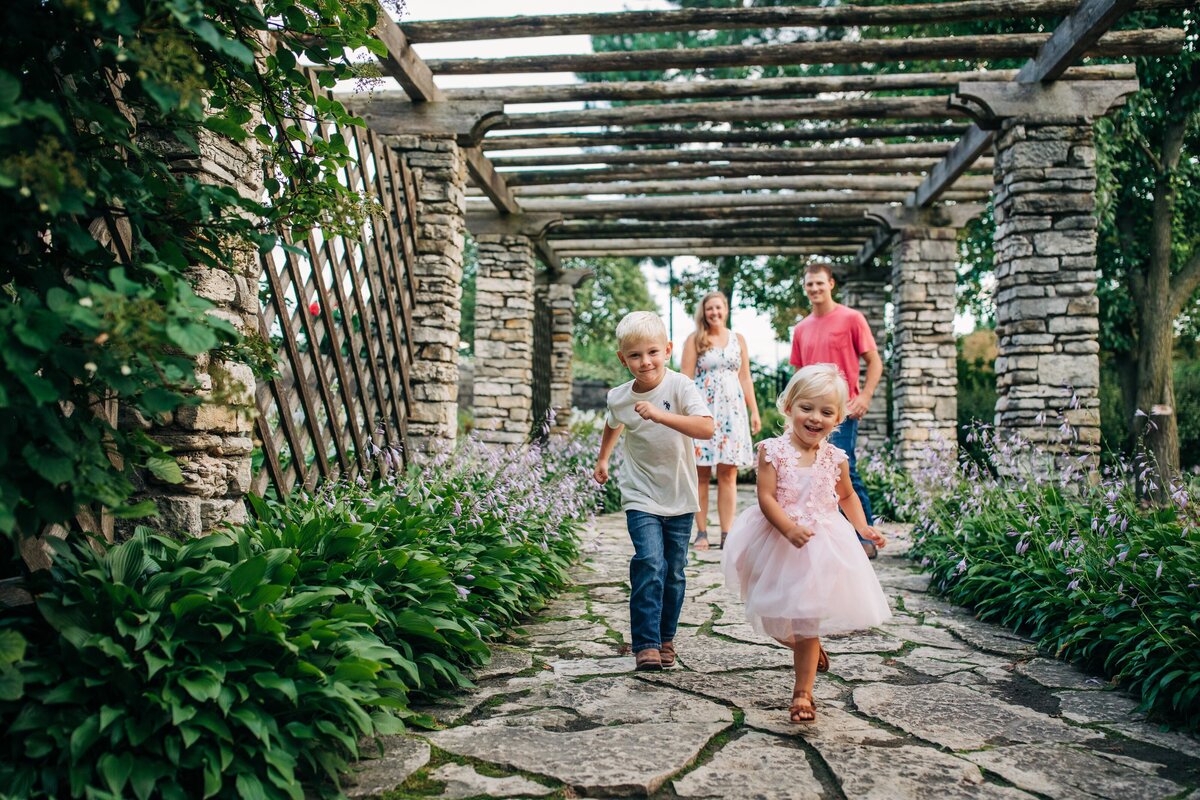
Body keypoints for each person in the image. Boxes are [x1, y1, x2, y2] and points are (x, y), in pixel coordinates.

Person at [722, 364, 890, 723]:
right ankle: (806, 648)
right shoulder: (772, 451)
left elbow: (847, 496)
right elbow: (766, 497)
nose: (815, 418)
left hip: (820, 545)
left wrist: (863, 527)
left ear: (838, 418)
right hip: (778, 539)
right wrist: (788, 528)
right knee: (773, 619)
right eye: (807, 408)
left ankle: (803, 693)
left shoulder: (835, 458)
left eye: (826, 412)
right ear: (789, 407)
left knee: (806, 621)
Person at [594, 311, 715, 672]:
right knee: (649, 562)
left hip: (679, 495)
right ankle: (645, 643)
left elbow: (706, 428)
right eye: (635, 355)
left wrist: (661, 415)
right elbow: (614, 422)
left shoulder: (680, 387)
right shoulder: (619, 397)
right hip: (640, 494)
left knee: (673, 571)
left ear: (667, 350)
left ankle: (665, 638)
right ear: (623, 359)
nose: (645, 361)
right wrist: (603, 458)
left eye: (652, 352)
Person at [789, 262, 884, 558]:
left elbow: (875, 361)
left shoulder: (852, 319)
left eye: (819, 282)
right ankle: (816, 538)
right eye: (809, 284)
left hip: (841, 412)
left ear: (831, 284)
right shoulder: (801, 329)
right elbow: (798, 375)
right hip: (809, 415)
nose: (814, 288)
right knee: (806, 472)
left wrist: (865, 396)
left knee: (845, 470)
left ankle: (864, 537)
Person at [681, 291, 761, 551]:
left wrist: (754, 411)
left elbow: (745, 377)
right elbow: (685, 379)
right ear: (703, 312)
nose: (714, 312)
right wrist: (685, 416)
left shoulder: (738, 339)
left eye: (718, 307)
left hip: (732, 414)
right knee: (701, 473)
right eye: (709, 309)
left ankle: (727, 533)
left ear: (726, 309)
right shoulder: (694, 339)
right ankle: (702, 532)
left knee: (728, 473)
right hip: (703, 411)